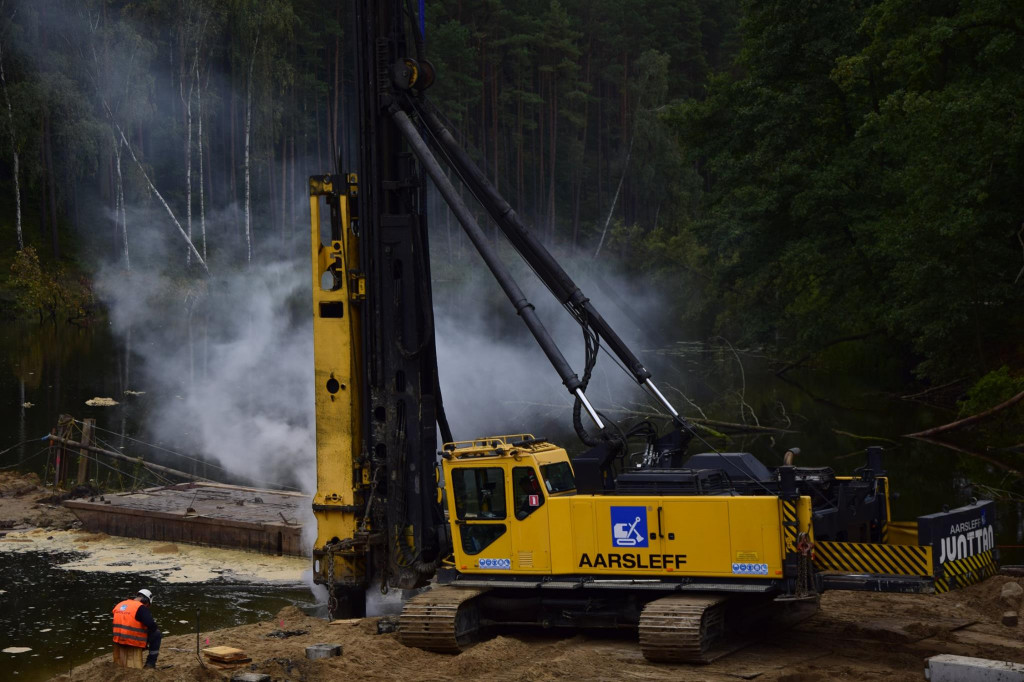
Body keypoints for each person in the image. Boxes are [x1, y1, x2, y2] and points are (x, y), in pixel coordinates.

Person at [112, 588, 162, 669]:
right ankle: (150, 664)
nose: (147, 607)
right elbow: (152, 625)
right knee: (156, 634)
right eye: (148, 605)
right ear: (146, 601)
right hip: (132, 641)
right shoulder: (141, 608)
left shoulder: (120, 604)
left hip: (117, 640)